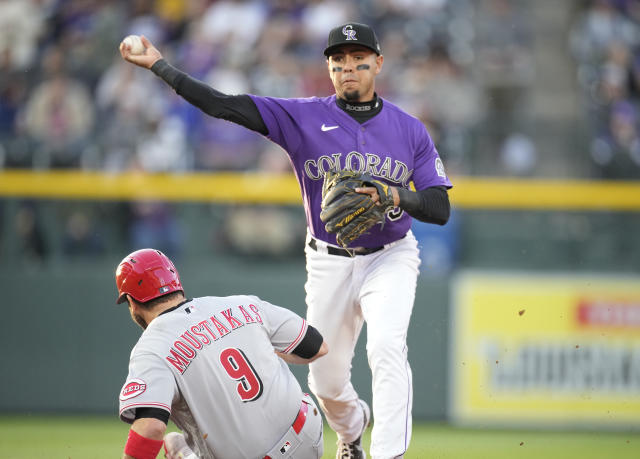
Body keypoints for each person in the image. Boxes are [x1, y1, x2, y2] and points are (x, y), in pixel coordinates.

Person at [120, 22, 452, 459]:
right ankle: (351, 433)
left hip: (390, 255)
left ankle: (389, 454)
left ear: (378, 64)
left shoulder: (410, 130)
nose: (348, 69)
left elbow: (438, 207)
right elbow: (225, 106)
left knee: (387, 346)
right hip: (328, 260)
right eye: (338, 62)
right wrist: (160, 66)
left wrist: (393, 193)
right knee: (326, 382)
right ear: (329, 68)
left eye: (358, 60)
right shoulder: (303, 116)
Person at [114, 248, 328, 459]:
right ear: (177, 285)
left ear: (132, 303)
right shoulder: (241, 304)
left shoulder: (151, 347)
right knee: (177, 442)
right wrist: (263, 351)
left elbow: (151, 427)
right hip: (308, 436)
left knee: (173, 442)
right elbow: (318, 347)